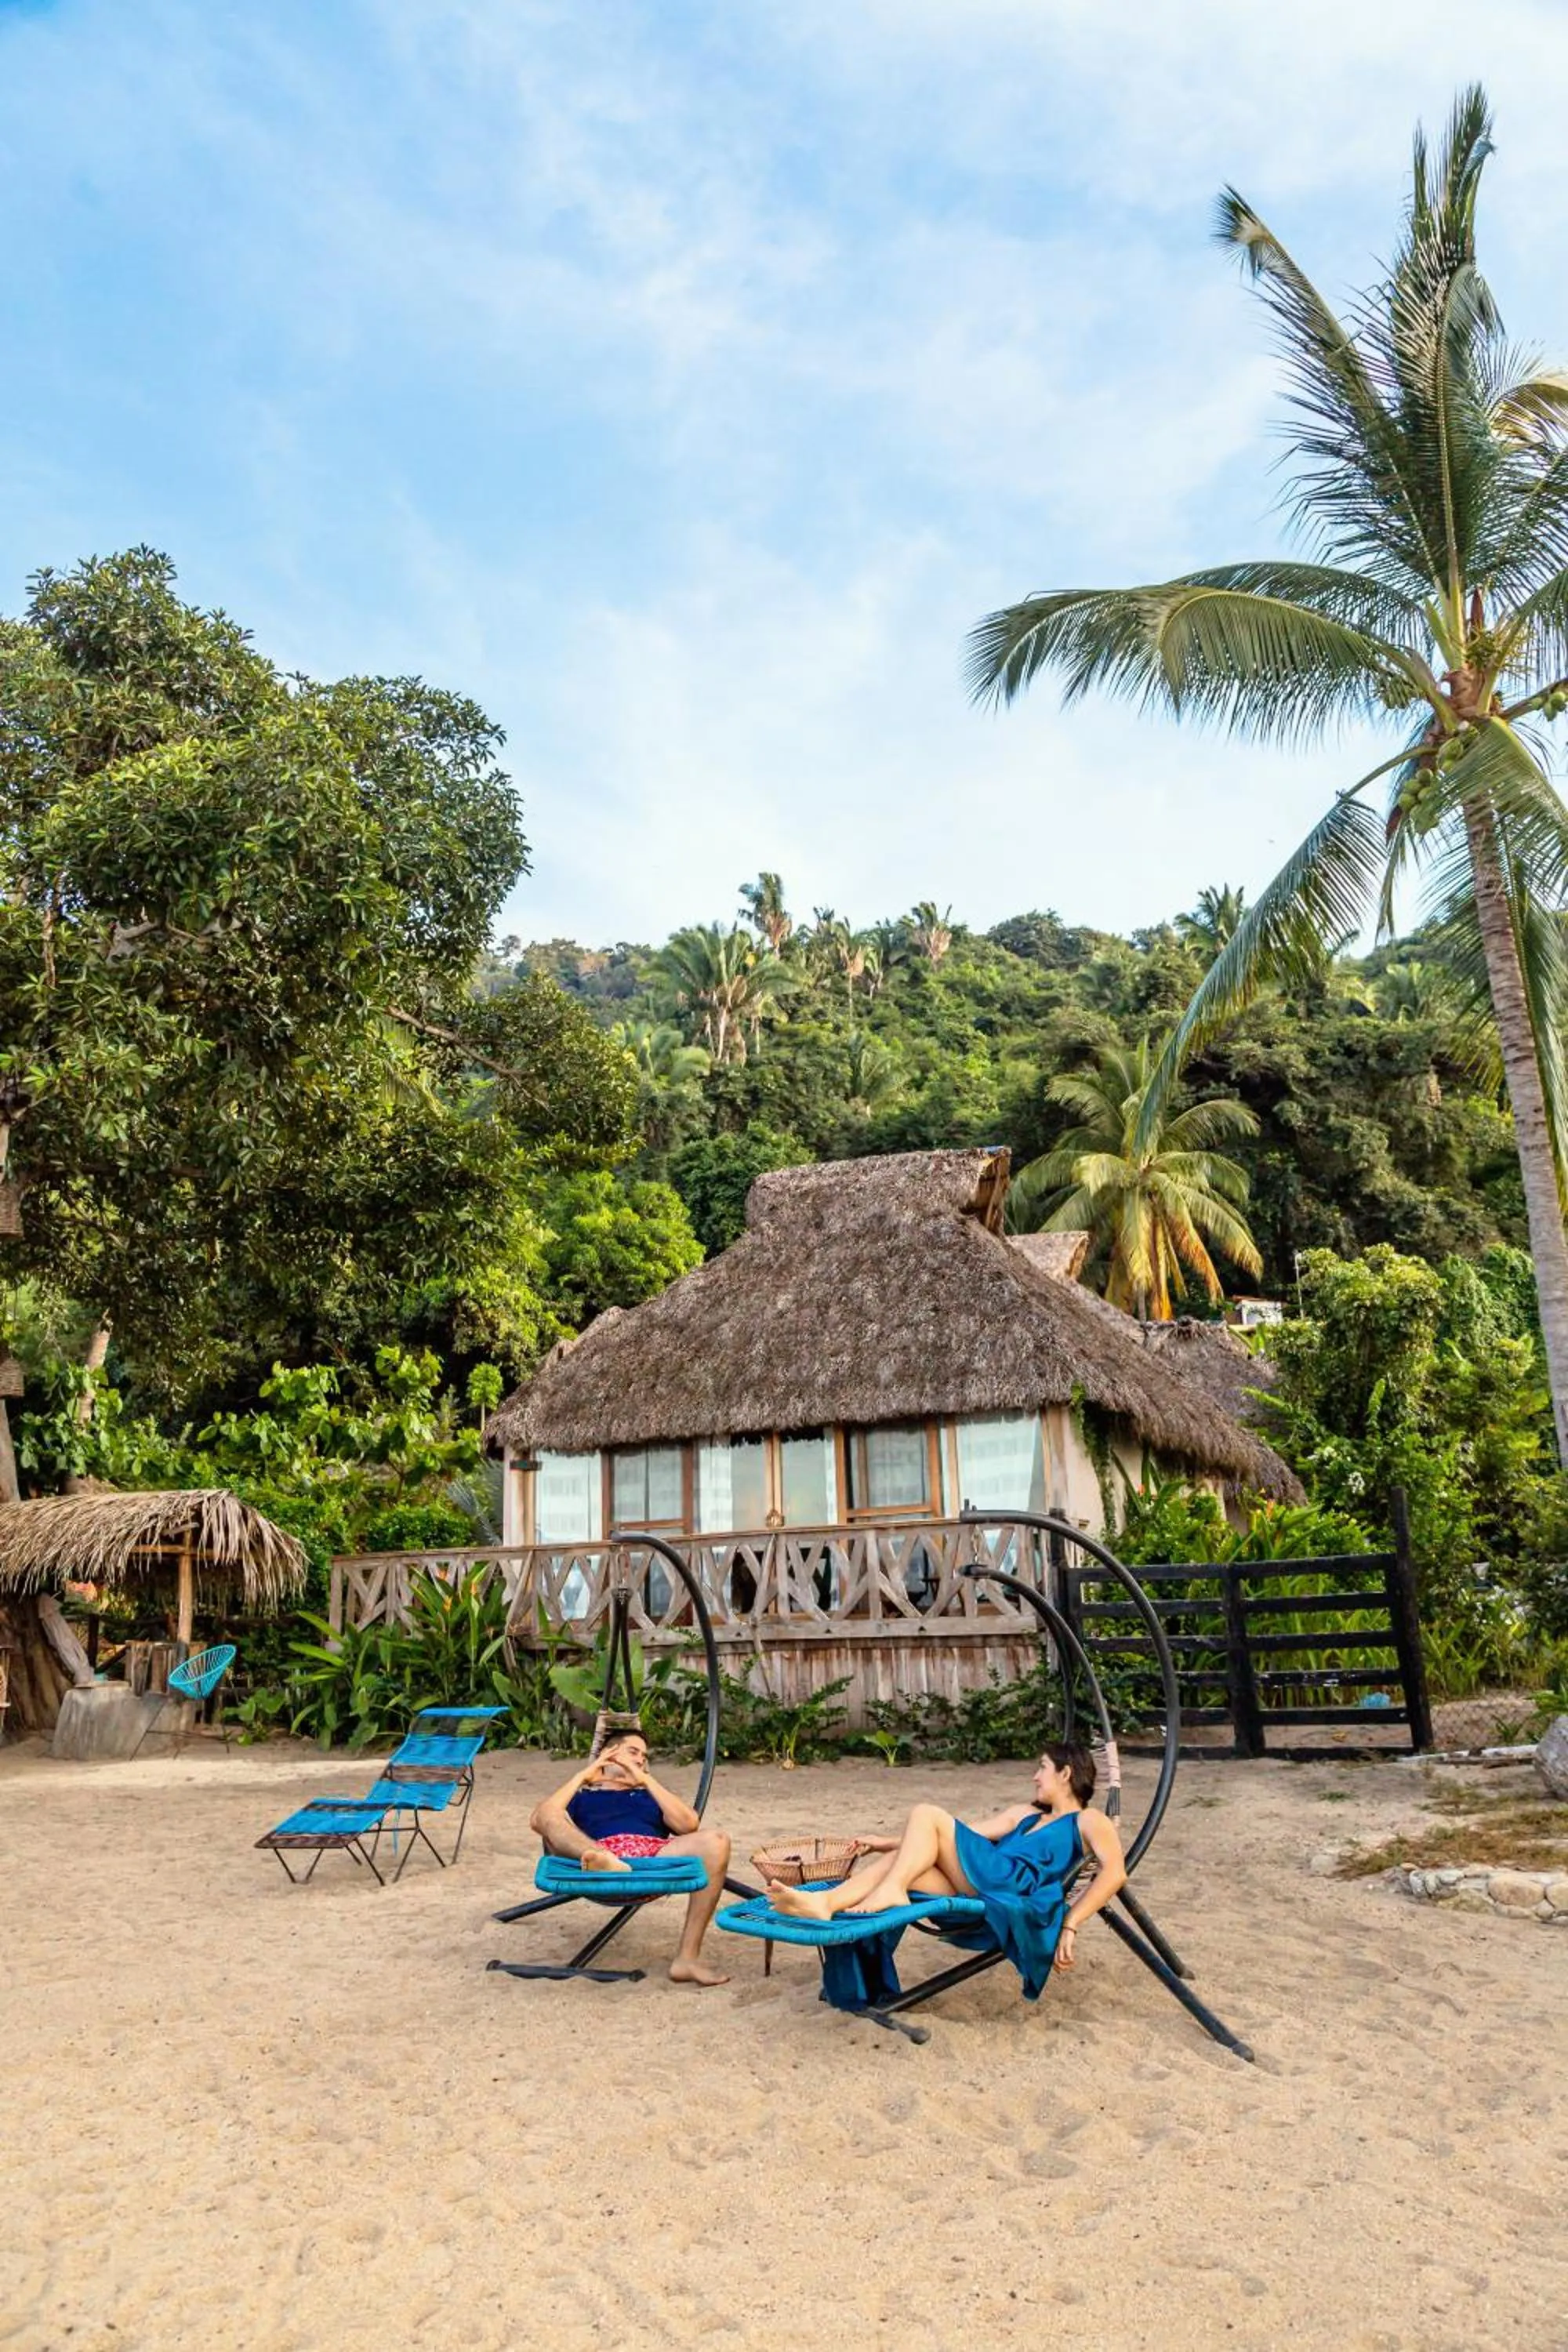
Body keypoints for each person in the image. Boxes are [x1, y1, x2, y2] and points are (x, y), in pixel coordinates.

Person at [762, 1742, 1126, 1996]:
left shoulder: (1090, 1820)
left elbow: (1114, 1873)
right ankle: (828, 1903)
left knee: (926, 1813)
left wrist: (1070, 1922)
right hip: (983, 1877)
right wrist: (885, 1842)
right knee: (902, 1867)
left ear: (1066, 1772)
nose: (1035, 1776)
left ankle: (888, 1892)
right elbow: (962, 1836)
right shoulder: (1026, 1814)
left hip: (1011, 1886)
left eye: (1042, 1768)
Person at [529, 1730, 733, 1987]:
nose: (640, 1760)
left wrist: (646, 1781)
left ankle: (687, 1959)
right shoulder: (583, 1798)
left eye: (644, 1757)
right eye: (633, 1752)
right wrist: (583, 1776)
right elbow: (540, 1819)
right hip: (595, 1855)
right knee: (550, 1815)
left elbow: (689, 1825)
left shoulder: (650, 1796)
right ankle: (606, 1862)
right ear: (609, 1755)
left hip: (651, 1858)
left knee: (717, 1841)